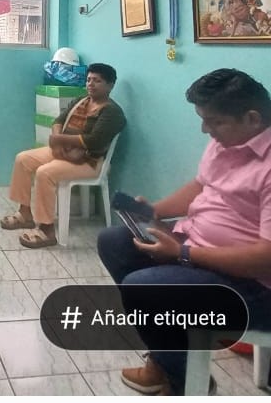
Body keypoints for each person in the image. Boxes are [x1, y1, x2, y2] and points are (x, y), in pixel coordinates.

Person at [97, 68, 271, 395]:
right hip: (198, 249)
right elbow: (201, 186)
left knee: (143, 287)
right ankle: (170, 359)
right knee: (115, 241)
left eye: (215, 122)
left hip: (255, 286)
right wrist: (153, 211)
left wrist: (184, 254)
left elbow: (266, 259)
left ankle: (182, 381)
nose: (206, 130)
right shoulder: (226, 141)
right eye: (203, 120)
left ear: (252, 118)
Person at [1, 63, 126, 248]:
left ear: (110, 85)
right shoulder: (81, 101)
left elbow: (93, 141)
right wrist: (58, 140)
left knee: (45, 173)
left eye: (97, 81)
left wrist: (58, 139)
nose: (90, 84)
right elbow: (58, 120)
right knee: (23, 159)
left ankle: (46, 230)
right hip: (65, 151)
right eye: (88, 80)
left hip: (90, 161)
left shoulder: (112, 112)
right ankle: (25, 213)